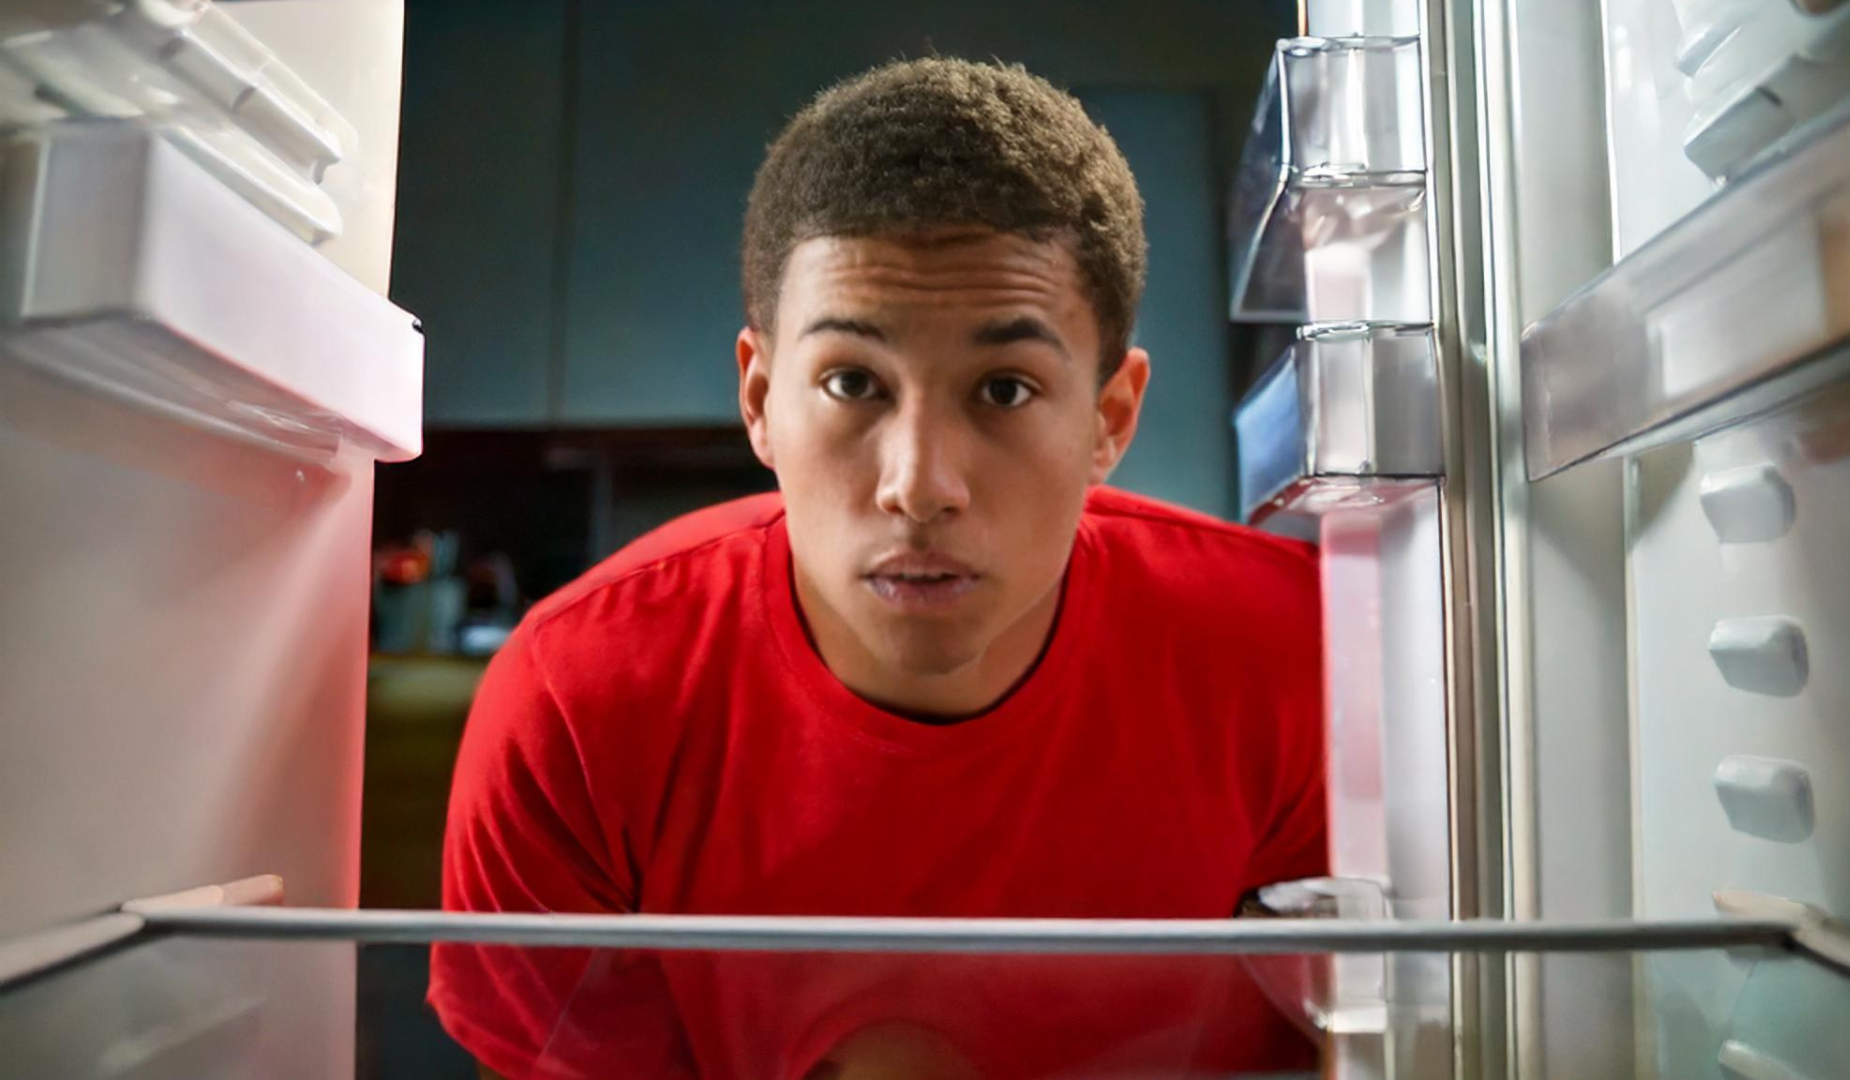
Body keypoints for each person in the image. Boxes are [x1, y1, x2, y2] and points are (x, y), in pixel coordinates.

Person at [428, 56, 1326, 1080]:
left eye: (1005, 390)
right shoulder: (576, 707)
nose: (920, 484)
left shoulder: (1304, 658)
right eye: (852, 381)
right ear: (761, 399)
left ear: (1109, 417)